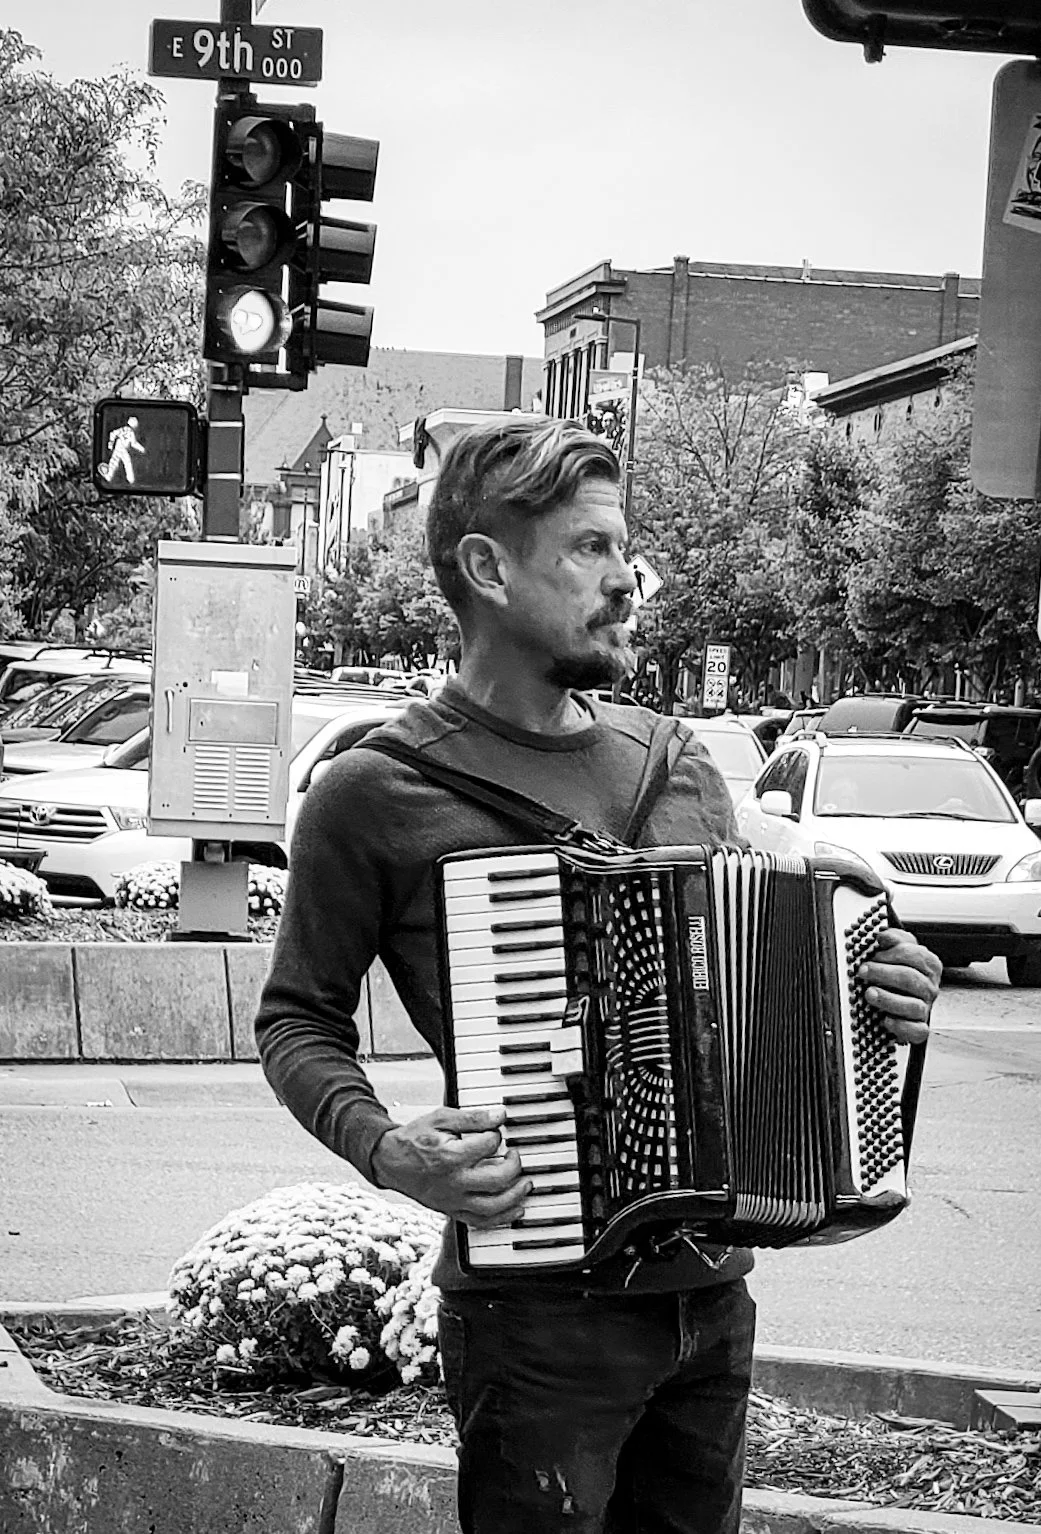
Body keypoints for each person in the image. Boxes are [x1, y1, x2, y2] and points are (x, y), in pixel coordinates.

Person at [254, 418, 940, 1534]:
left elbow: (765, 999)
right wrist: (388, 1148)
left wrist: (878, 996)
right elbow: (296, 1020)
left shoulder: (675, 765)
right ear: (487, 568)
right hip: (538, 1316)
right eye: (590, 550)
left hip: (710, 1299)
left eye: (629, 552)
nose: (626, 582)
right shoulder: (374, 790)